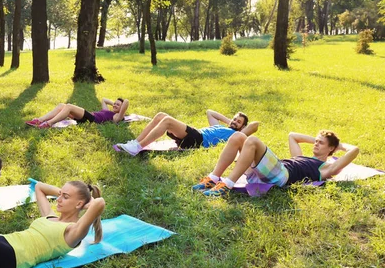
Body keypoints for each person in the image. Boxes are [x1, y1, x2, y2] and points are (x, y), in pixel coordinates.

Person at [193, 130, 360, 197]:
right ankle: (213, 178)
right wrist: (319, 139)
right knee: (238, 136)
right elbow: (292, 135)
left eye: (320, 143)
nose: (316, 144)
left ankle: (226, 185)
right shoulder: (300, 157)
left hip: (282, 175)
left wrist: (338, 146)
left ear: (331, 148)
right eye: (316, 141)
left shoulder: (327, 168)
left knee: (252, 140)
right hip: (273, 170)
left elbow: (355, 150)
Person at [114, 109, 259, 156]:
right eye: (235, 119)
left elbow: (254, 125)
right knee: (160, 115)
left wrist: (240, 129)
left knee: (167, 120)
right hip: (194, 134)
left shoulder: (237, 135)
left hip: (198, 139)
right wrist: (230, 121)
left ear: (242, 127)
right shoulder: (223, 128)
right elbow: (210, 112)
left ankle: (137, 147)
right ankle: (135, 142)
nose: (234, 122)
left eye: (238, 122)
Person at [26, 97, 129, 129]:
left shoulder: (117, 116)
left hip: (93, 120)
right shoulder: (107, 110)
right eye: (114, 104)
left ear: (122, 109)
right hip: (89, 116)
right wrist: (115, 104)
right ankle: (39, 120)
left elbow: (127, 102)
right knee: (62, 105)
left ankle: (48, 123)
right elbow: (104, 100)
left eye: (118, 105)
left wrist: (121, 109)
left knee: (69, 106)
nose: (114, 105)